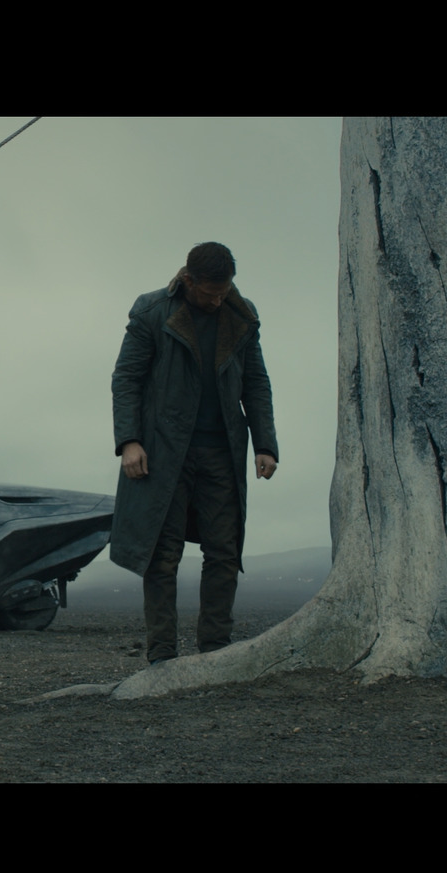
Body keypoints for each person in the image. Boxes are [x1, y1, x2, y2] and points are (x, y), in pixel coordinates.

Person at [110, 242, 278, 664]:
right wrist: (129, 441)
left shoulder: (242, 316)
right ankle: (162, 655)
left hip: (222, 450)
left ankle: (215, 652)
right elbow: (126, 378)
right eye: (209, 293)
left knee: (224, 552)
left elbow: (256, 382)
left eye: (224, 291)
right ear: (188, 280)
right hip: (163, 453)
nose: (217, 299)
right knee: (161, 555)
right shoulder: (151, 312)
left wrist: (265, 444)